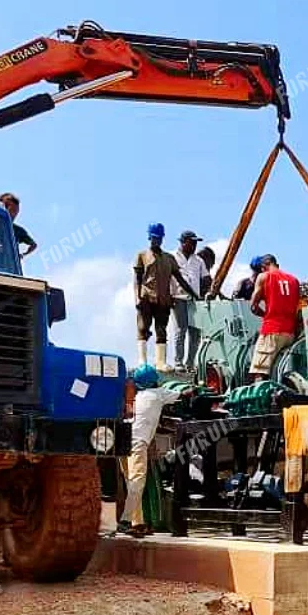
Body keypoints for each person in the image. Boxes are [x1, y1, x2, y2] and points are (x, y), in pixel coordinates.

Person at [120, 364, 187, 536]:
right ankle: (125, 522)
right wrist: (196, 389)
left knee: (131, 483)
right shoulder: (158, 394)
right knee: (137, 482)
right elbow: (184, 393)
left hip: (123, 442)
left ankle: (137, 523)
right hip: (137, 443)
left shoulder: (137, 397)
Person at [134, 223, 186, 370]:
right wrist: (137, 298)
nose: (156, 241)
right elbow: (137, 279)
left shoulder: (169, 258)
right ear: (149, 237)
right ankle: (142, 361)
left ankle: (160, 361)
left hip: (163, 299)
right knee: (143, 328)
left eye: (159, 238)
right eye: (154, 238)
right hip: (146, 298)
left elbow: (179, 278)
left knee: (161, 330)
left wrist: (194, 294)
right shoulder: (142, 256)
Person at [249, 254, 301, 380]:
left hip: (272, 331)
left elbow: (253, 306)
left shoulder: (264, 276)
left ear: (263, 267)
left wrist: (265, 314)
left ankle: (261, 397)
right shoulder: (294, 280)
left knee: (260, 371)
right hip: (290, 333)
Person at [171, 230, 209, 372]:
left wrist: (206, 293)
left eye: (195, 243)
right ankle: (178, 362)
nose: (194, 245)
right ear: (183, 242)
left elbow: (206, 278)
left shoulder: (199, 261)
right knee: (181, 330)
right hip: (178, 297)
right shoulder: (173, 257)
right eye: (191, 242)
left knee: (195, 333)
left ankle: (190, 363)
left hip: (195, 300)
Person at [0, 192, 38, 258]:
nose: (14, 215)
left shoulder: (17, 230)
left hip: (7, 267)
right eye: (12, 210)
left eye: (16, 212)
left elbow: (34, 245)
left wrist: (22, 255)